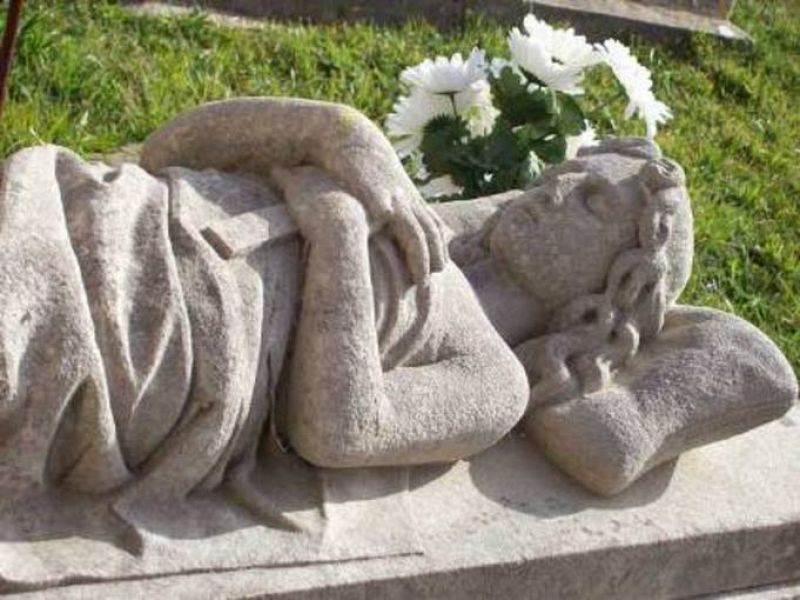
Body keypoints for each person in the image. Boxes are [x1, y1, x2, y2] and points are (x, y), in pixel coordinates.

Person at [0, 99, 794, 511]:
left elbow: (342, 425)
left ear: (601, 294)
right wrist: (332, 132)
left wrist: (338, 226)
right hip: (112, 210)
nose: (552, 190)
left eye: (589, 204)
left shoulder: (491, 377)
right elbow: (171, 148)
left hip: (165, 341)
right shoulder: (413, 211)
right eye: (564, 173)